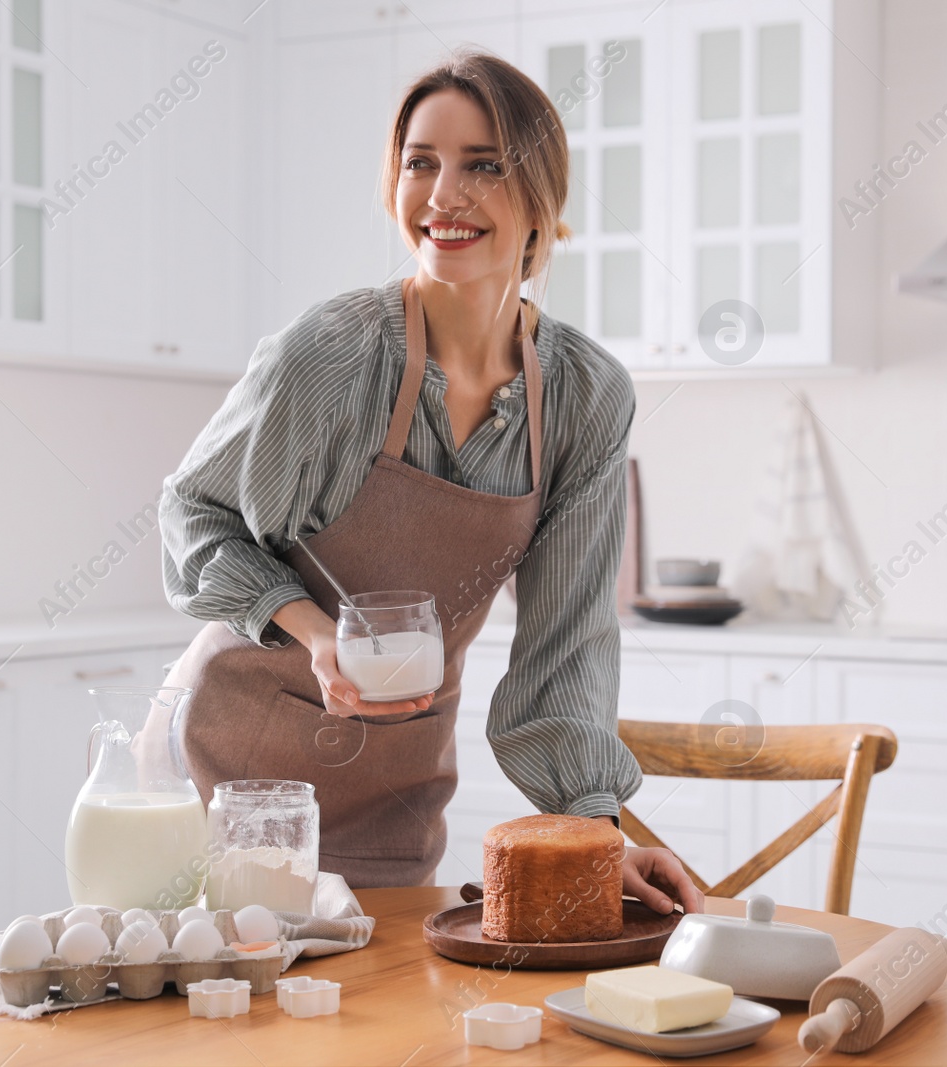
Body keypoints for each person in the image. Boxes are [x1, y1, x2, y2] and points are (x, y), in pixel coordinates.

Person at [156, 50, 703, 918]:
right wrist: (311, 629)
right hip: (229, 768)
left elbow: (566, 647)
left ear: (542, 201)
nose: (444, 193)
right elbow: (194, 512)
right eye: (422, 162)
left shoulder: (585, 398)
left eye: (484, 165)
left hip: (395, 785)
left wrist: (595, 830)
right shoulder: (330, 356)